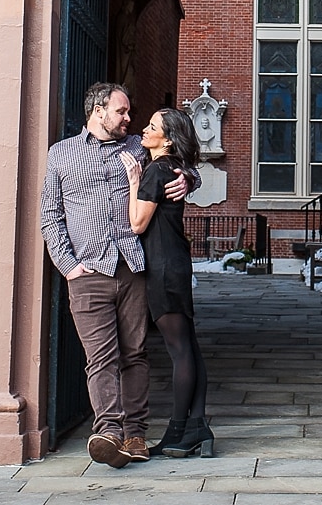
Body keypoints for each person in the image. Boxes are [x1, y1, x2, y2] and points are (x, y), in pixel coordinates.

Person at [40, 82, 194, 468]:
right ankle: (108, 431)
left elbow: (177, 156)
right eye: (122, 112)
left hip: (133, 269)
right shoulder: (61, 155)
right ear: (98, 110)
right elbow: (51, 216)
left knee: (135, 353)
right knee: (100, 357)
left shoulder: (137, 148)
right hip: (88, 272)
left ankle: (136, 435)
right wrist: (69, 266)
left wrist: (189, 180)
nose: (129, 119)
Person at [128, 107, 214, 458]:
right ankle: (197, 426)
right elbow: (185, 171)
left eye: (152, 127)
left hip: (163, 269)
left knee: (180, 351)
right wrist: (190, 176)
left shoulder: (153, 172)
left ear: (168, 138)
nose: (144, 130)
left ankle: (180, 431)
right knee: (188, 347)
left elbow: (137, 224)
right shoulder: (170, 168)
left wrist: (135, 182)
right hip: (175, 263)